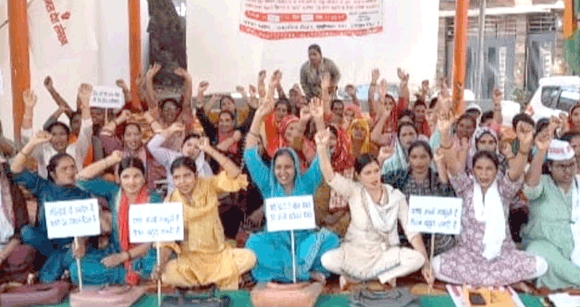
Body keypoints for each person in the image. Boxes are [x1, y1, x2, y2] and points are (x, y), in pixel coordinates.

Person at [243, 78, 340, 283]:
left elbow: (322, 160)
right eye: (278, 167)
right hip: (276, 244)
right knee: (253, 244)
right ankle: (304, 273)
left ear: (295, 167)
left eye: (287, 167)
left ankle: (289, 273)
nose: (283, 172)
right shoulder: (268, 184)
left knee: (330, 240)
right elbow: (250, 155)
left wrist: (319, 120)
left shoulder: (306, 182)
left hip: (304, 242)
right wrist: (259, 115)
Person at [433, 111, 547, 286]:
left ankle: (485, 280)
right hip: (467, 256)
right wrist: (444, 133)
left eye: (489, 169)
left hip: (501, 255)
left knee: (541, 265)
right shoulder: (465, 186)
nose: (484, 174)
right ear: (473, 169)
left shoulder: (503, 189)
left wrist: (524, 147)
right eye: (479, 169)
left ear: (496, 170)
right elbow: (453, 164)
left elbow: (515, 173)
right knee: (436, 265)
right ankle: (502, 281)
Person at [315, 129, 431, 290]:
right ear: (358, 176)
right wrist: (321, 148)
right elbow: (330, 177)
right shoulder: (354, 191)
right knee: (327, 259)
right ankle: (385, 275)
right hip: (355, 252)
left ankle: (365, 277)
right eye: (367, 173)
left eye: (376, 171)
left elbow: (412, 232)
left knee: (417, 259)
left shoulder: (395, 196)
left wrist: (426, 264)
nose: (373, 177)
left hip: (383, 253)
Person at [158, 140, 256, 290]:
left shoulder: (208, 185)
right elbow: (166, 239)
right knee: (167, 273)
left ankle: (205, 282)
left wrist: (210, 150)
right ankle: (215, 280)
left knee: (249, 257)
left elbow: (235, 175)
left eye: (187, 176)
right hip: (191, 261)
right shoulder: (170, 200)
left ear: (196, 175)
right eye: (177, 177)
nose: (182, 182)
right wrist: (161, 263)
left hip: (218, 256)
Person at [10, 131, 93, 283]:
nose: (71, 172)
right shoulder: (43, 187)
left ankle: (50, 272)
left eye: (73, 167)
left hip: (69, 247)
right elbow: (15, 169)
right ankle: (55, 269)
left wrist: (80, 242)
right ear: (53, 173)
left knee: (47, 278)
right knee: (26, 232)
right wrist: (32, 143)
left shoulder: (83, 194)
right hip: (46, 245)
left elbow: (87, 229)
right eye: (64, 169)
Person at [72, 153, 160, 285]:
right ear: (118, 179)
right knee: (76, 269)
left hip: (145, 252)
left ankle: (130, 274)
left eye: (136, 176)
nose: (131, 182)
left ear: (144, 178)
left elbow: (155, 238)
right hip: (117, 249)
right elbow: (80, 179)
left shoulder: (154, 199)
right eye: (126, 176)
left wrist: (124, 257)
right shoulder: (114, 192)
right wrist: (110, 160)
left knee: (154, 262)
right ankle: (130, 276)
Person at [522, 138, 580, 289]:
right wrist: (541, 151)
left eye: (571, 165)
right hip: (546, 245)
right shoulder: (543, 183)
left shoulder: (578, 184)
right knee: (537, 255)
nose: (568, 171)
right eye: (561, 166)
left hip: (575, 246)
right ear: (550, 166)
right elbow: (530, 188)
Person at [381, 140, 456, 256]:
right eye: (414, 157)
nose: (418, 162)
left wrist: (440, 164)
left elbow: (448, 195)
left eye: (423, 157)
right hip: (406, 235)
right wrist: (381, 160)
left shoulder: (436, 178)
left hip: (433, 235)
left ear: (430, 158)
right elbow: (375, 182)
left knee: (447, 243)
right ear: (408, 159)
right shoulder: (399, 177)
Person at [20, 85, 94, 178]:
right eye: (54, 134)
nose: (58, 138)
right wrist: (28, 109)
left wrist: (85, 103)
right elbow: (26, 138)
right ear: (49, 137)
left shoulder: (76, 150)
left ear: (68, 135)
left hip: (74, 191)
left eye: (62, 134)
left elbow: (86, 130)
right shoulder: (43, 152)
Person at [99, 110, 166, 191]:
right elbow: (104, 133)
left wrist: (149, 118)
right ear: (123, 138)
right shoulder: (118, 149)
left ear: (141, 136)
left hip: (146, 192)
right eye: (128, 135)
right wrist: (121, 118)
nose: (133, 139)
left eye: (136, 134)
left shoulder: (148, 149)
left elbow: (161, 135)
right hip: (122, 193)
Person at [0, 157, 36, 284]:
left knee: (24, 254)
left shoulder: (13, 193)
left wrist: (1, 256)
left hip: (8, 248)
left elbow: (20, 231)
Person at [314, 125, 354, 237]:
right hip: (322, 218)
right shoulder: (318, 162)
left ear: (340, 139)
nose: (329, 142)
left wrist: (335, 217)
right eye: (327, 138)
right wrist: (324, 217)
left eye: (332, 138)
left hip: (345, 217)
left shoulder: (349, 163)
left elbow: (351, 194)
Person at [147, 123, 213, 192]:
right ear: (181, 147)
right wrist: (170, 130)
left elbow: (210, 188)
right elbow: (152, 146)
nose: (191, 149)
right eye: (189, 145)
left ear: (200, 152)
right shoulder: (171, 158)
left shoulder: (204, 165)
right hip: (175, 201)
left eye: (196, 147)